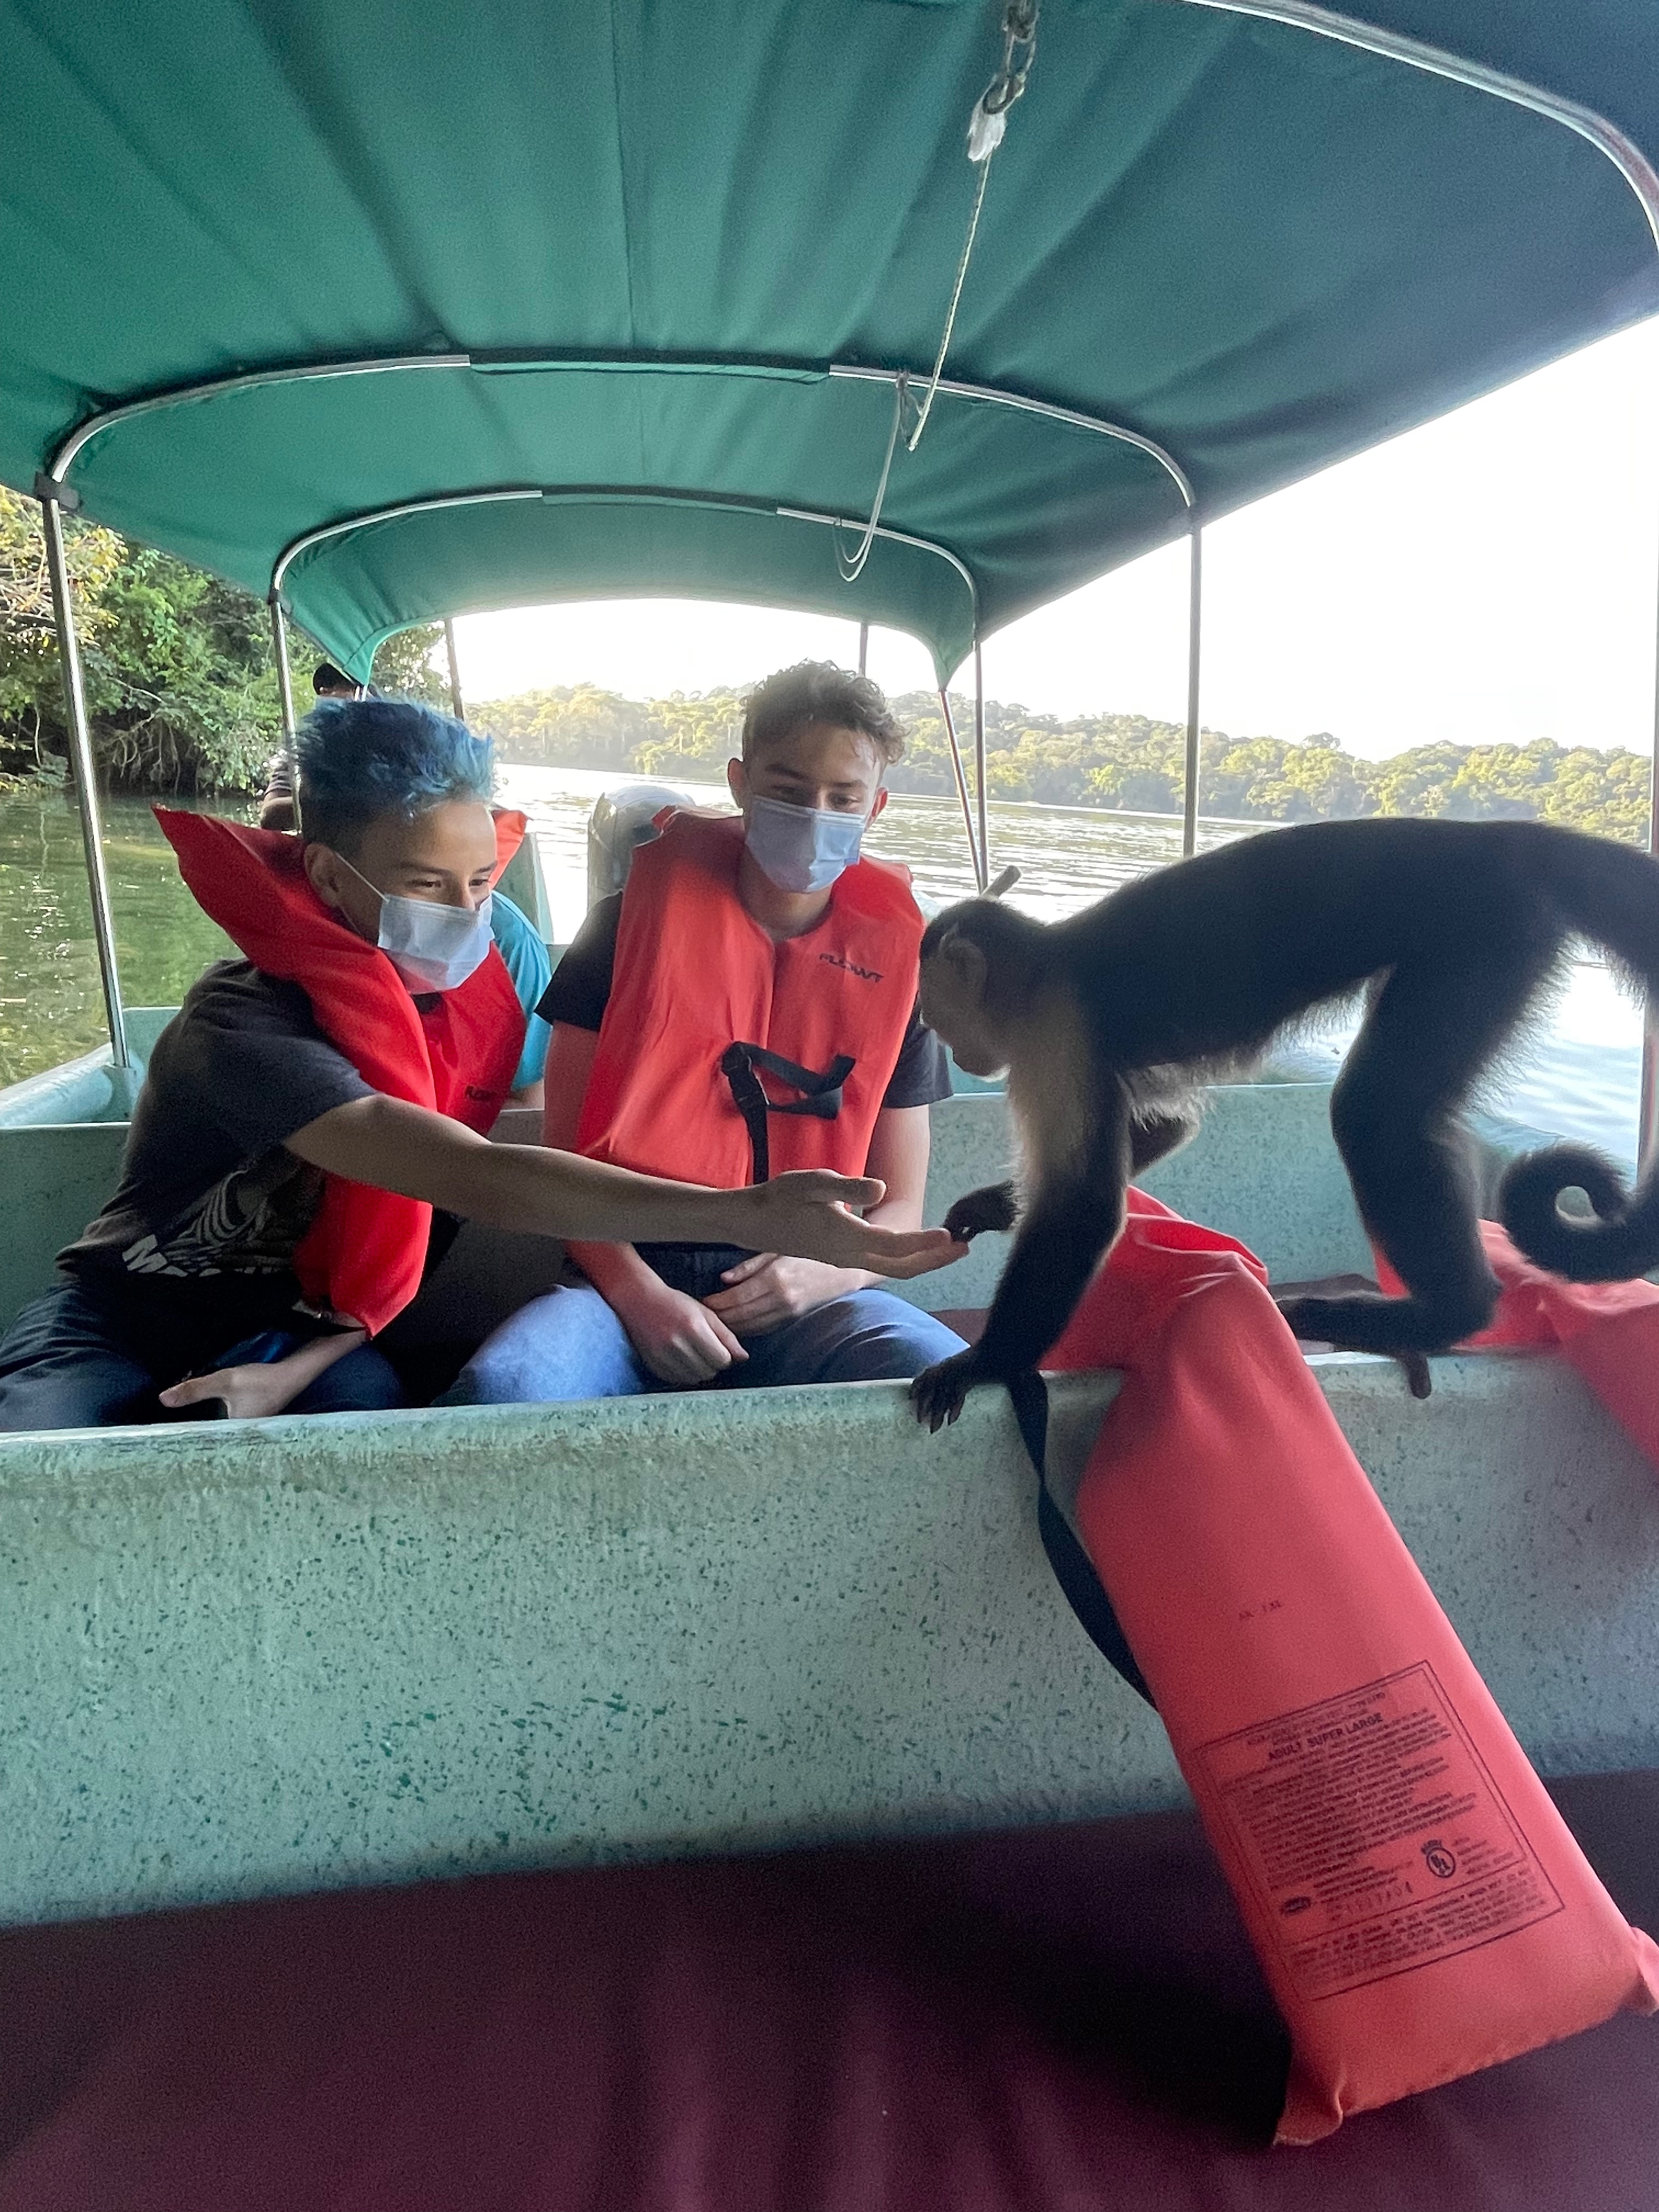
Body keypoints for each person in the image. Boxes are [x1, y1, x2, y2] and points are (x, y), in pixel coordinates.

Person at [0, 698, 958, 1432]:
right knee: (32, 1465)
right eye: (427, 886)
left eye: (480, 884)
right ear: (328, 874)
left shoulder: (466, 1010)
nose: (465, 918)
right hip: (122, 1319)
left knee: (367, 1428)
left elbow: (398, 1250)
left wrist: (288, 1372)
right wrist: (742, 1214)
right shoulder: (241, 1022)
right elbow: (476, 1175)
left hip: (312, 1334)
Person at [441, 662, 970, 1405]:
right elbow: (559, 1166)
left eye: (842, 798)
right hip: (622, 1287)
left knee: (951, 1382)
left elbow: (901, 1208)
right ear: (740, 783)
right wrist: (641, 1298)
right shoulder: (622, 931)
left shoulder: (902, 970)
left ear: (875, 807)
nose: (815, 814)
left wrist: (826, 1275)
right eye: (788, 791)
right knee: (506, 1387)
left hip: (812, 1295)